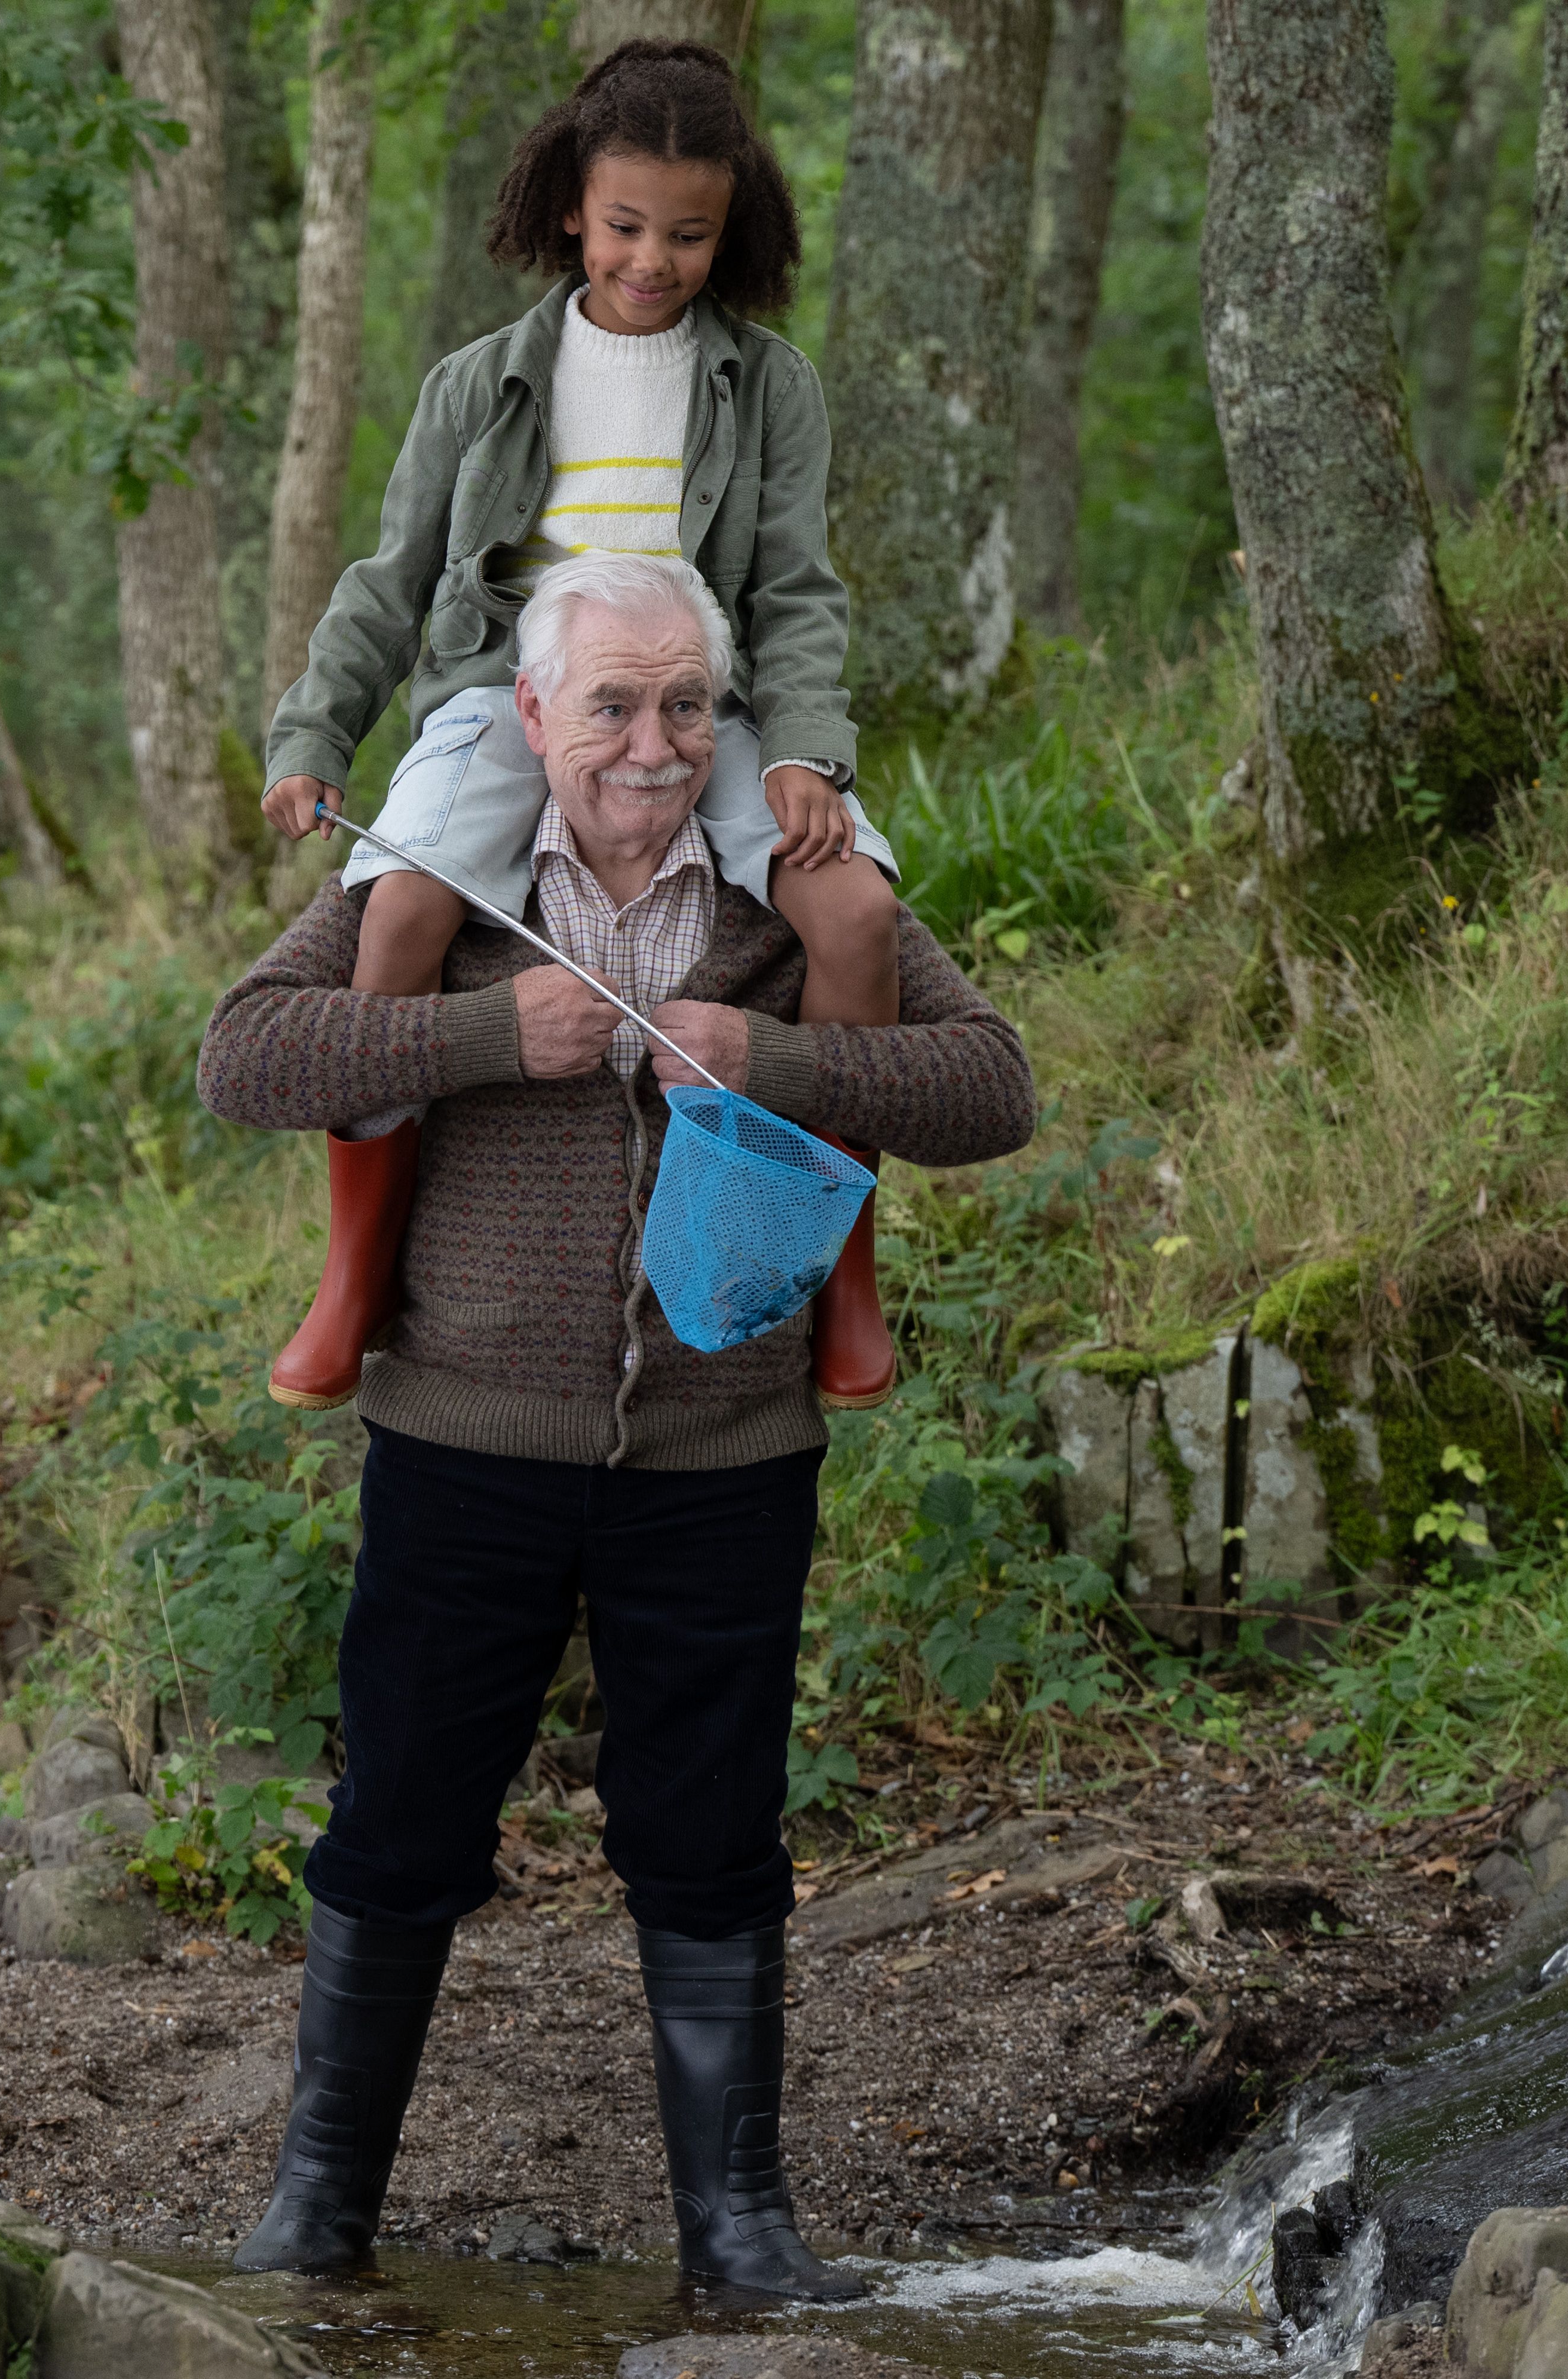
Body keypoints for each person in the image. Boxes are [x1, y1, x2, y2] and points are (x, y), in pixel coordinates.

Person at [195, 550, 1037, 2300]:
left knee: (710, 1833)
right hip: (462, 1437)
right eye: (609, 705)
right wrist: (491, 1032)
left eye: (683, 705)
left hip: (724, 1456)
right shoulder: (441, 873)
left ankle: (736, 2233)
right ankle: (315, 2213)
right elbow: (243, 1055)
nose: (648, 744)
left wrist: (774, 1053)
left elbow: (992, 1085)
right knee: (403, 1818)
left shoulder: (782, 894)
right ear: (527, 717)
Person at [251, 38, 908, 1420]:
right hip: (507, 692)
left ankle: (838, 1257)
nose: (651, 259)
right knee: (405, 910)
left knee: (849, 917)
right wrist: (315, 730)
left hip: (698, 698)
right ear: (569, 207)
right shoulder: (479, 380)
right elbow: (387, 582)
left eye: (687, 233)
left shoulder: (767, 383)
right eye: (623, 226)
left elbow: (793, 592)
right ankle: (357, 1264)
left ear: (732, 230)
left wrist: (799, 750)